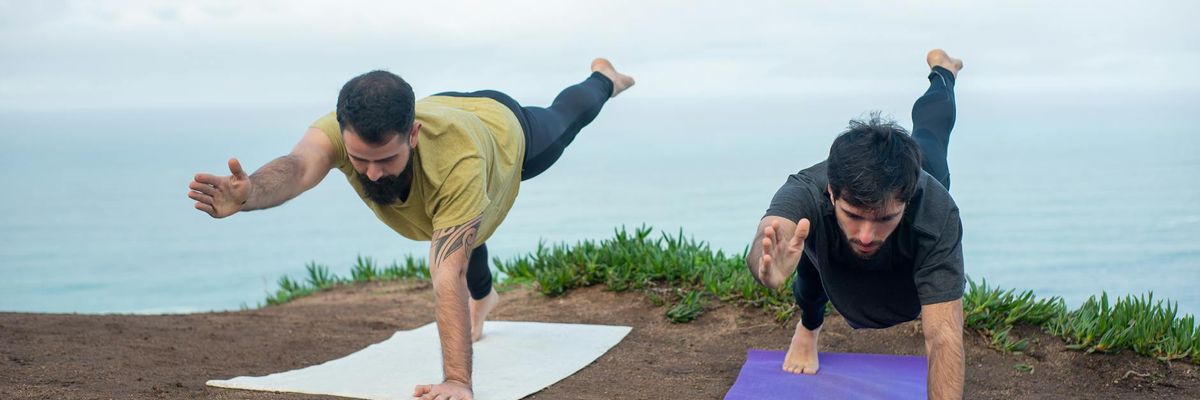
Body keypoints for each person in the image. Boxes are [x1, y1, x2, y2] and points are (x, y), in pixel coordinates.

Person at [188, 58, 635, 400]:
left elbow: (447, 274)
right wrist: (248, 194)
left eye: (386, 160)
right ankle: (486, 299)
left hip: (502, 129)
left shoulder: (459, 163)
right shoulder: (343, 132)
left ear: (413, 135)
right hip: (445, 112)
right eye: (360, 159)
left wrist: (457, 381)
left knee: (566, 116)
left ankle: (605, 79)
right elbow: (299, 166)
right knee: (451, 223)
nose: (373, 173)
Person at [746, 49, 966, 399]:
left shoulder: (936, 211)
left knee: (931, 131)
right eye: (853, 215)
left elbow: (944, 336)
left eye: (883, 219)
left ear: (907, 202)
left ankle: (944, 72)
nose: (866, 235)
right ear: (832, 192)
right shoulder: (810, 190)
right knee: (805, 252)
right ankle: (808, 326)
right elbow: (772, 229)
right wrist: (763, 264)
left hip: (914, 215)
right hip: (825, 252)